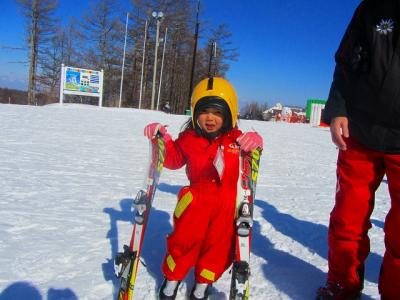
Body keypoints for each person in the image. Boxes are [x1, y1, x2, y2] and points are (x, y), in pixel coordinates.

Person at [143, 77, 263, 300]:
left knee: (217, 248)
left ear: (229, 115)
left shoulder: (236, 140)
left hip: (226, 207)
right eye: (204, 111)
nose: (210, 118)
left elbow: (251, 155)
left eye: (217, 112)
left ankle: (202, 285)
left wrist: (256, 140)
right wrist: (162, 140)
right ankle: (172, 279)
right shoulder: (189, 138)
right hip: (194, 203)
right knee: (183, 243)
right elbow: (173, 159)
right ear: (195, 112)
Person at [317, 1, 400, 299]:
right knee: (347, 217)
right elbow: (347, 62)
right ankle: (343, 282)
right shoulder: (374, 7)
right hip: (360, 132)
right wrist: (338, 107)